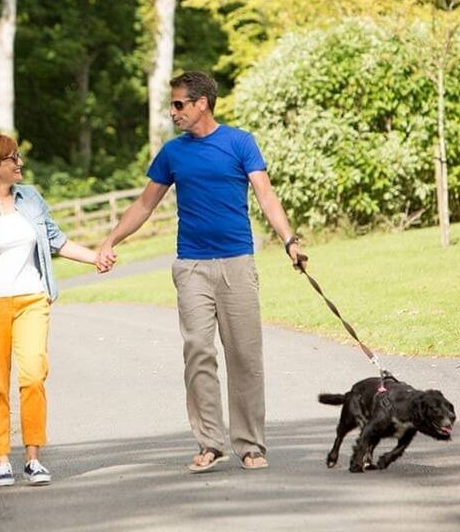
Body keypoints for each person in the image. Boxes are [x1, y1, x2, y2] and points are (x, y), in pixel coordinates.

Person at [97, 71, 305, 472]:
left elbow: (266, 195)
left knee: (244, 355)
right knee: (198, 352)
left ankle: (249, 444)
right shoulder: (173, 154)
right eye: (172, 105)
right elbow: (144, 206)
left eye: (179, 104)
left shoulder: (240, 142)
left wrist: (289, 240)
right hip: (191, 266)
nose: (173, 112)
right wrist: (111, 241)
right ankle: (210, 442)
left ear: (201, 103)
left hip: (237, 263)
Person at [0, 131, 112, 487]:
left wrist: (94, 258)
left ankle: (33, 458)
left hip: (32, 298)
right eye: (12, 159)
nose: (19, 163)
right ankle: (2, 458)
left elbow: (57, 240)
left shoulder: (32, 199)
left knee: (34, 374)